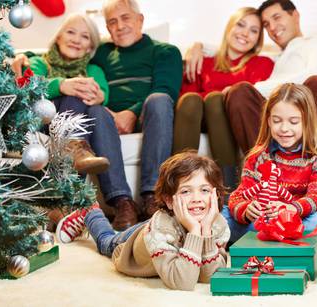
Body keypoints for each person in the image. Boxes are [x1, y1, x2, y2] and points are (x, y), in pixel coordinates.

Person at [13, 0, 183, 231]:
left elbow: (106, 90)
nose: (120, 26)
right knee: (88, 104)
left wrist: (119, 108)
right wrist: (30, 62)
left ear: (140, 20)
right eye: (112, 21)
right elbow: (36, 73)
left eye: (125, 18)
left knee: (145, 102)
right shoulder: (99, 54)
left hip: (142, 115)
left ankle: (143, 198)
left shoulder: (162, 52)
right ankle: (118, 199)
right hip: (71, 120)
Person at [55, 151, 230, 291]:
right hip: (136, 242)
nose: (197, 198)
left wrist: (205, 231)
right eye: (186, 191)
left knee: (153, 225)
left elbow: (209, 277)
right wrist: (194, 231)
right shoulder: (161, 231)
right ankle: (90, 212)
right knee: (106, 243)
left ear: (215, 195)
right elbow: (183, 283)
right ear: (169, 200)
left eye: (205, 190)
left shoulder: (216, 224)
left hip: (159, 225)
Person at [185, 0, 317, 153]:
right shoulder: (276, 58)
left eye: (277, 17)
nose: (273, 27)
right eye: (267, 24)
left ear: (295, 15)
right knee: (239, 91)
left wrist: (257, 89)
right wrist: (198, 46)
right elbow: (235, 48)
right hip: (281, 117)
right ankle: (265, 171)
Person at [224, 83, 317, 245]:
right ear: (269, 121)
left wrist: (292, 208)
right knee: (223, 216)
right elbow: (240, 195)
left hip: (294, 220)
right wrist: (246, 209)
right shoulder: (258, 157)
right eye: (277, 121)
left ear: (307, 122)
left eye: (293, 122)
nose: (284, 128)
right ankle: (275, 237)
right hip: (261, 220)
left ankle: (265, 238)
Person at [173, 7, 274, 190]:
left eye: (253, 30)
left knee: (215, 99)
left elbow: (252, 102)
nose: (245, 33)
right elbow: (187, 96)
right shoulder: (203, 60)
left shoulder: (262, 64)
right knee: (190, 100)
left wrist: (217, 95)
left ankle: (228, 187)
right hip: (196, 117)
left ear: (258, 39)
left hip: (228, 121)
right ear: (229, 28)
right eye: (240, 25)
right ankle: (179, 182)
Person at [28, 14, 110, 175]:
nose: (77, 40)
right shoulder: (38, 63)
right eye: (71, 32)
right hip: (45, 122)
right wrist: (61, 85)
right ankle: (72, 146)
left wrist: (100, 96)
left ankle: (120, 197)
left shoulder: (94, 70)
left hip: (83, 126)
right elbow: (31, 88)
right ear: (58, 37)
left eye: (85, 36)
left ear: (90, 46)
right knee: (76, 91)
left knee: (98, 110)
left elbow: (103, 93)